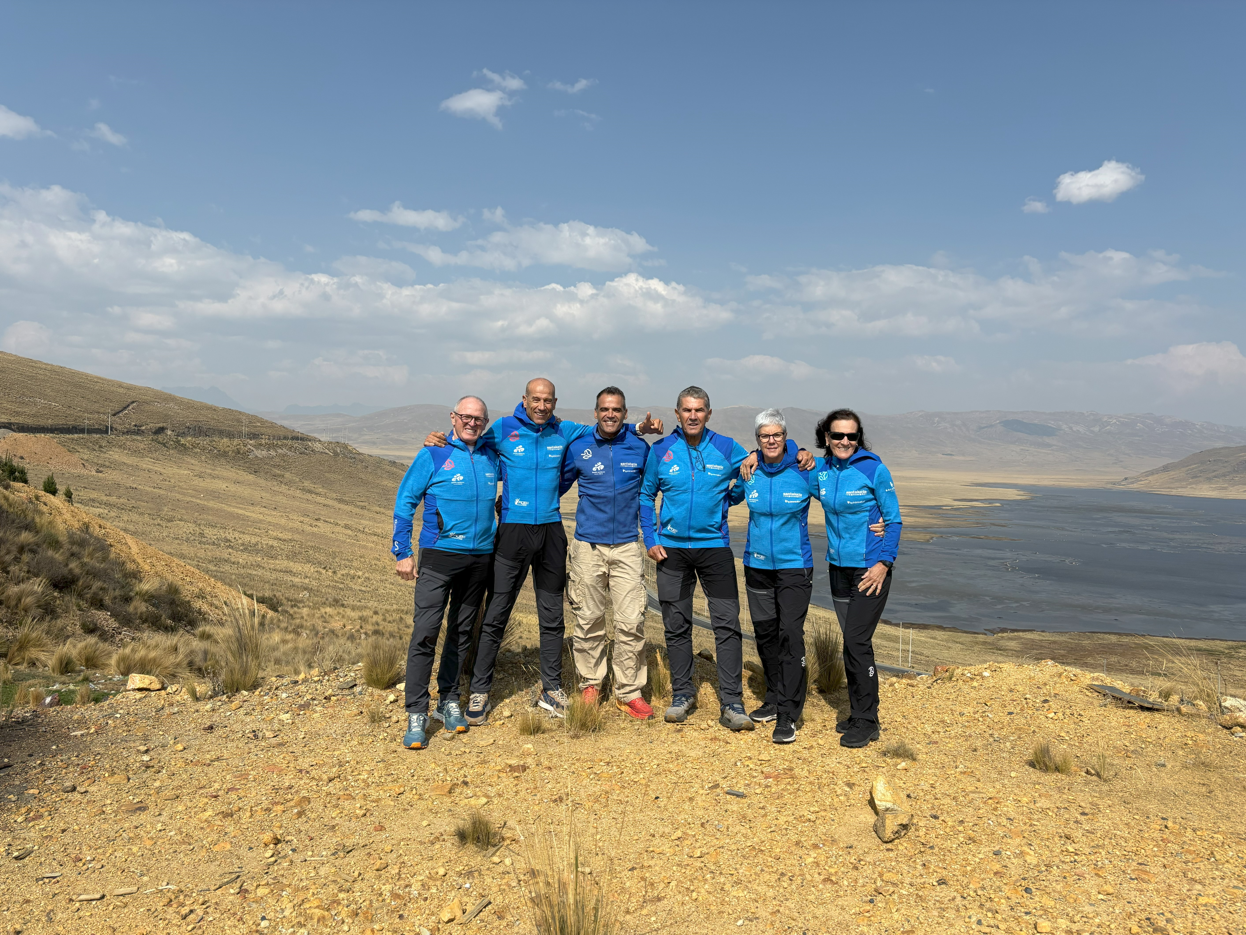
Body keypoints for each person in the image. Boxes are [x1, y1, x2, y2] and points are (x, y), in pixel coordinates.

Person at [424, 378, 662, 722]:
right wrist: (441, 440)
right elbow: (469, 442)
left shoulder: (565, 430)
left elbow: (607, 427)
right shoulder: (503, 427)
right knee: (496, 614)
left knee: (552, 617)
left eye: (547, 400)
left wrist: (640, 426)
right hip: (512, 533)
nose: (541, 405)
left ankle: (551, 689)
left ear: (554, 402)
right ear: (525, 399)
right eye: (536, 399)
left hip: (551, 531)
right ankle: (479, 691)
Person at [640, 387, 812, 730]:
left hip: (715, 549)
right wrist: (651, 537)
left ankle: (732, 701)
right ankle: (682, 694)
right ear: (677, 414)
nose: (693, 415)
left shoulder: (726, 448)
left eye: (699, 410)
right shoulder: (660, 450)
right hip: (671, 551)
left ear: (709, 413)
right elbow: (646, 495)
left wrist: (795, 449)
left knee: (727, 626)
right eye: (687, 410)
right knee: (676, 625)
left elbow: (768, 453)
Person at [392, 395, 499, 750]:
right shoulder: (433, 454)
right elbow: (405, 501)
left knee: (462, 631)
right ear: (453, 418)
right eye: (466, 417)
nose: (472, 423)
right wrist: (402, 552)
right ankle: (416, 712)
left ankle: (449, 700)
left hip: (480, 557)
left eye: (479, 419)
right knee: (425, 631)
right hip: (438, 557)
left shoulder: (490, 454)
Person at [560, 387, 654, 719]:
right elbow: (555, 485)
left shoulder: (639, 448)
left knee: (630, 621)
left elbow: (650, 493)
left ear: (624, 414)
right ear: (595, 413)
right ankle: (590, 684)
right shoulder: (579, 447)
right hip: (587, 546)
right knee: (588, 619)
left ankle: (628, 692)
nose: (610, 414)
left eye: (616, 410)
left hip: (628, 545)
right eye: (604, 409)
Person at [811, 407, 902, 749]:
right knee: (852, 645)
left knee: (856, 642)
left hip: (869, 569)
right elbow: (789, 458)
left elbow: (893, 521)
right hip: (837, 568)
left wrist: (884, 563)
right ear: (826, 438)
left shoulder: (873, 469)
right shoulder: (821, 470)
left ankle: (867, 720)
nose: (845, 441)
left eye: (851, 435)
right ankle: (858, 710)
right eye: (838, 435)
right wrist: (751, 458)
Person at [730, 409, 815, 743]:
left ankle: (789, 714)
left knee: (790, 635)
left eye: (777, 435)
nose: (771, 440)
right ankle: (774, 697)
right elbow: (725, 495)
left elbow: (842, 495)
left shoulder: (804, 470)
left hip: (795, 566)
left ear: (785, 437)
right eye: (764, 436)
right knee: (765, 634)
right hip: (757, 565)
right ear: (757, 440)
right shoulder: (750, 472)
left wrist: (878, 524)